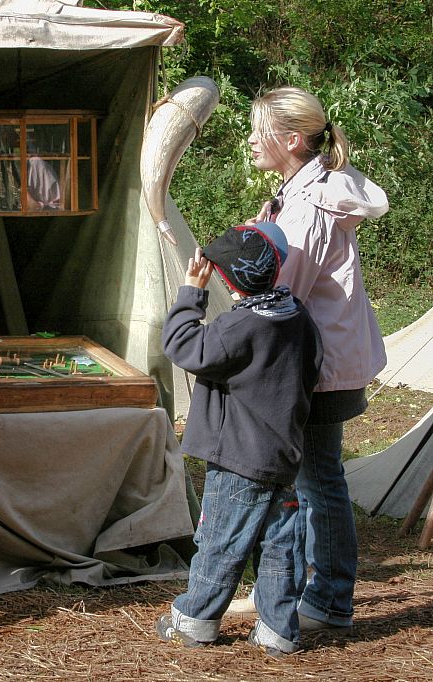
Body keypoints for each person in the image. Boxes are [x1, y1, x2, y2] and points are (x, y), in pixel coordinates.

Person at [227, 87, 389, 633]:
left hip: (316, 365)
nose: (251, 138)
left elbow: (281, 290)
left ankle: (329, 600)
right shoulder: (299, 193)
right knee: (307, 481)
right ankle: (291, 589)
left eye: (259, 129)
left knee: (317, 481)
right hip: (314, 360)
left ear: (292, 140)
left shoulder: (312, 204)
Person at [156, 222, 323, 657]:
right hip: (283, 456)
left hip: (237, 460)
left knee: (221, 541)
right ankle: (278, 630)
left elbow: (182, 345)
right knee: (279, 548)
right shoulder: (298, 315)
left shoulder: (240, 327)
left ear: (229, 281)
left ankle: (195, 620)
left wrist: (192, 292)